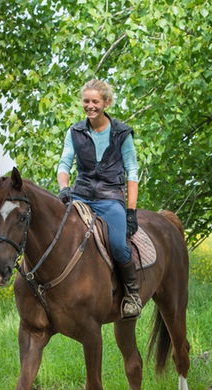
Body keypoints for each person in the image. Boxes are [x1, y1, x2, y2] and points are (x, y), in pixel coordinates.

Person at [56, 79, 143, 319]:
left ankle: (132, 294)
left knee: (117, 242)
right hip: (79, 196)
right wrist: (64, 188)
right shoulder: (74, 131)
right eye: (86, 101)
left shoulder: (122, 134)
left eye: (95, 101)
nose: (90, 106)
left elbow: (132, 172)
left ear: (106, 102)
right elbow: (64, 164)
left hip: (110, 198)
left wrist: (131, 211)